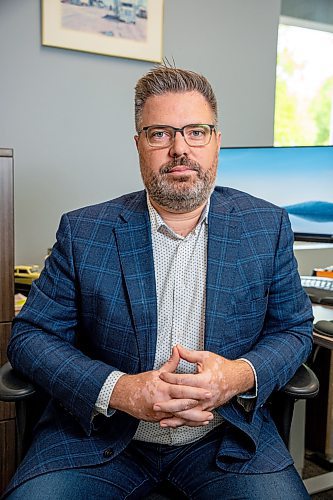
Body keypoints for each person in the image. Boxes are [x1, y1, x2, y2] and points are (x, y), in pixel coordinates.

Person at [5, 65, 313, 499]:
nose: (179, 149)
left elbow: (294, 329)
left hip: (226, 440)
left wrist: (238, 375)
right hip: (99, 439)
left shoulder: (267, 227)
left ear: (216, 143)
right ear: (139, 146)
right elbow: (30, 337)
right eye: (160, 134)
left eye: (196, 132)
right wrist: (119, 389)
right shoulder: (84, 231)